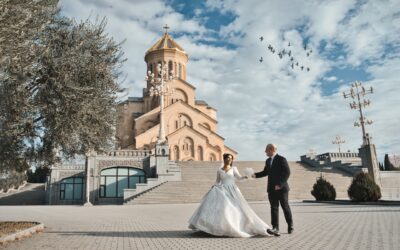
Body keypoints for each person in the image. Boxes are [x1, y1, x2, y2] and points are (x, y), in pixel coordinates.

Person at [188, 153, 271, 237]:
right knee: (222, 207)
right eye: (228, 158)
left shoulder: (234, 169)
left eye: (231, 158)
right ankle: (214, 227)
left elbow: (239, 178)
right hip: (222, 189)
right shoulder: (219, 170)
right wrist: (214, 186)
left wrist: (246, 177)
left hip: (232, 190)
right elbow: (217, 181)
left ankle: (235, 226)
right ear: (224, 159)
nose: (229, 160)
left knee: (234, 208)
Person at [252, 144, 293, 236]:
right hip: (271, 189)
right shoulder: (268, 161)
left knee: (285, 207)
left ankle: (290, 225)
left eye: (266, 150)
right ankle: (275, 228)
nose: (265, 152)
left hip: (282, 189)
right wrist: (255, 175)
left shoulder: (281, 159)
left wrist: (280, 184)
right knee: (274, 208)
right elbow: (265, 172)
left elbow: (287, 172)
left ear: (271, 149)